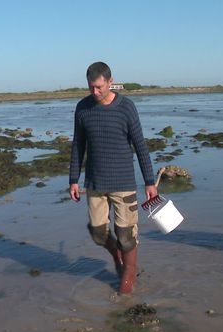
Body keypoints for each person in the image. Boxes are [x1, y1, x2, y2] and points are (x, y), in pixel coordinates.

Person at [69, 61, 157, 294]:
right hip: (95, 182)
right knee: (98, 233)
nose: (95, 92)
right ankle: (118, 257)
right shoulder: (83, 107)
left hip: (123, 182)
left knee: (126, 236)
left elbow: (140, 145)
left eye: (99, 87)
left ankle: (128, 278)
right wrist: (73, 179)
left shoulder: (126, 107)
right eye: (91, 87)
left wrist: (149, 181)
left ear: (110, 81)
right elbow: (78, 145)